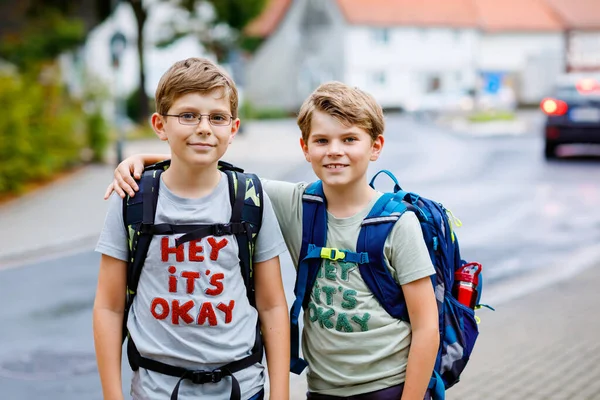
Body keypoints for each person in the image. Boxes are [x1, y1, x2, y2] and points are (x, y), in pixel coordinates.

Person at [107, 81, 439, 399]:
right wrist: (145, 162)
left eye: (349, 139)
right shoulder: (294, 203)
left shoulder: (398, 224)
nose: (335, 151)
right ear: (305, 148)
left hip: (389, 387)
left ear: (375, 146)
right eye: (322, 141)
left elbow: (427, 327)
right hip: (323, 389)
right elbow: (209, 170)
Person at [93, 57, 290, 400]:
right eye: (187, 115)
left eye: (217, 118)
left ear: (234, 127)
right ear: (159, 124)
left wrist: (281, 394)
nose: (203, 127)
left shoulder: (249, 198)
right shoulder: (133, 199)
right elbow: (109, 307)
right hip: (156, 390)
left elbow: (272, 305)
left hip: (242, 389)